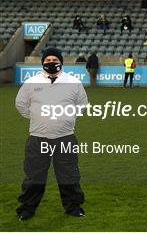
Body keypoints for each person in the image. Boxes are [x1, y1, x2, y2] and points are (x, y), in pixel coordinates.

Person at [15, 48, 87, 221]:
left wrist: (66, 118)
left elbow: (82, 105)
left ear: (61, 61)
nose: (51, 62)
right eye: (47, 59)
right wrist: (38, 117)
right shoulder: (32, 82)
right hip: (38, 137)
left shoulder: (73, 82)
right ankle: (27, 208)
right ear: (43, 62)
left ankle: (73, 206)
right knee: (34, 175)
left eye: (54, 59)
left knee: (69, 174)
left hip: (66, 136)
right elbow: (21, 105)